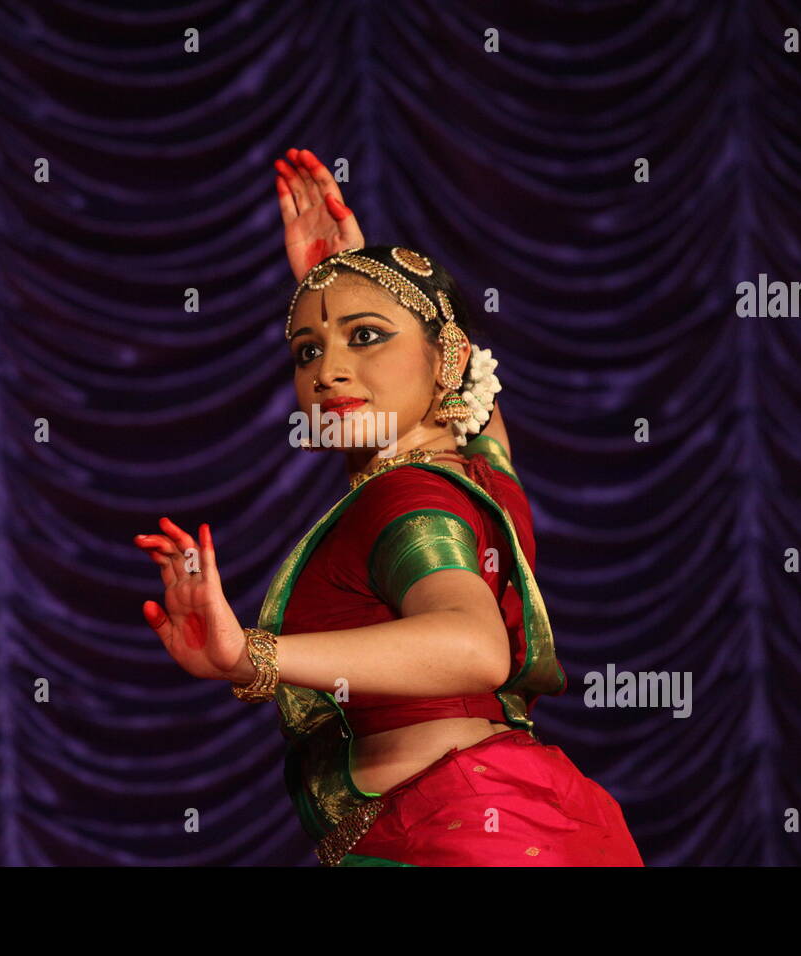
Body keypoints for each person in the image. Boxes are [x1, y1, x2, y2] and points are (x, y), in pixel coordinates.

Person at [132, 148, 644, 867]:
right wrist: (356, 273)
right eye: (307, 348)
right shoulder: (479, 474)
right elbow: (482, 408)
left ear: (444, 357)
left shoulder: (405, 498)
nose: (329, 369)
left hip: (454, 833)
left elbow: (472, 647)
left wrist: (248, 656)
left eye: (367, 337)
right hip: (519, 811)